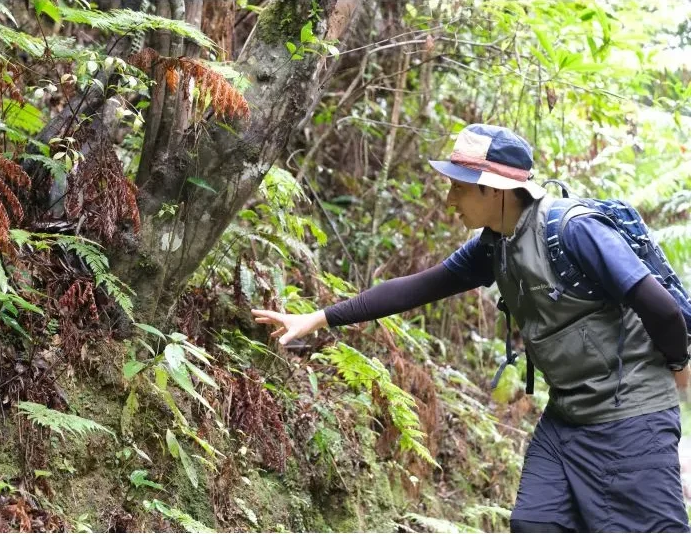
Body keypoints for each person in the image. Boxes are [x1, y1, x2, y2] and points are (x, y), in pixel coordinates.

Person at [252, 124, 691, 532]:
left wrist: (676, 363)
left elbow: (661, 307)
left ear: (494, 189)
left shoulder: (573, 230)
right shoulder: (495, 246)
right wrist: (319, 317)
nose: (450, 200)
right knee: (536, 522)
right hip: (568, 419)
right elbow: (418, 288)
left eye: (459, 188)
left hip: (630, 417)